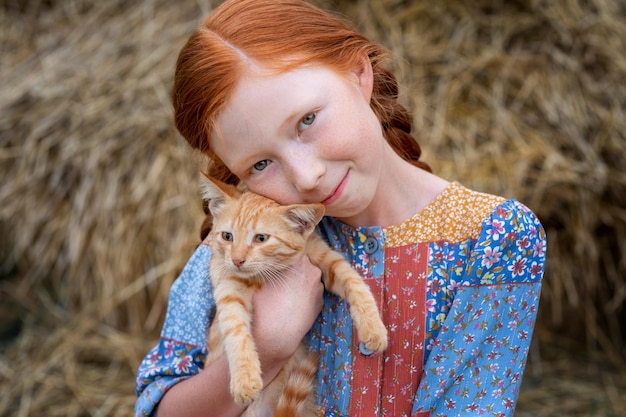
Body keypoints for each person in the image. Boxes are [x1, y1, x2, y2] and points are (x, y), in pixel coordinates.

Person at [134, 0, 546, 416]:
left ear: (358, 73)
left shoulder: (493, 237)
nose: (306, 176)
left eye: (307, 120)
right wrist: (270, 347)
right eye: (260, 165)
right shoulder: (238, 248)